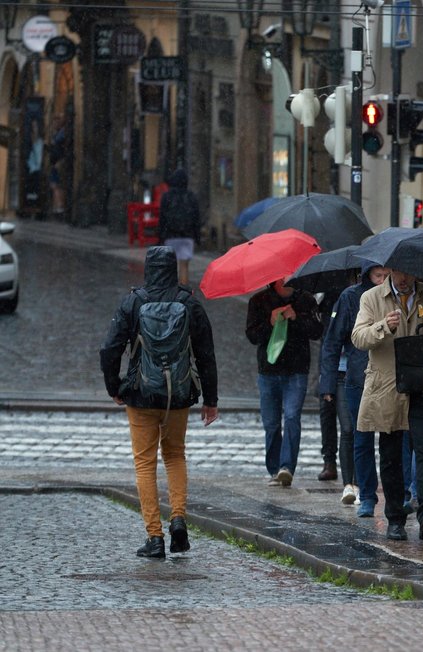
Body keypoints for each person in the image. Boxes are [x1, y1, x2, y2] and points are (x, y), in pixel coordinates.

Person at [99, 246, 219, 559]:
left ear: (147, 269)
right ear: (175, 269)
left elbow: (109, 349)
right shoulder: (188, 303)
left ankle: (154, 537)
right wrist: (211, 400)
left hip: (140, 393)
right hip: (177, 394)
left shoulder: (133, 302)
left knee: (145, 462)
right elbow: (206, 354)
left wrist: (115, 386)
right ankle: (178, 519)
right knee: (176, 455)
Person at [351, 269, 423, 541]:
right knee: (390, 455)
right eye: (398, 273)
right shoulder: (371, 298)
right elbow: (358, 337)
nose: (403, 279)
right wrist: (382, 327)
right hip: (388, 386)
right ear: (389, 271)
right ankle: (395, 519)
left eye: (409, 274)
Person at [320, 263, 391, 513]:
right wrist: (327, 382)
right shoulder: (350, 297)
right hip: (357, 375)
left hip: (389, 376)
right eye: (378, 275)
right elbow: (332, 341)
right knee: (354, 432)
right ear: (367, 274)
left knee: (388, 435)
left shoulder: (396, 296)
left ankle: (381, 492)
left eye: (386, 275)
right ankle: (355, 486)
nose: (382, 280)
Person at [246, 278, 321, 487]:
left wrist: (295, 318)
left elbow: (316, 331)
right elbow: (252, 335)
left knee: (291, 417)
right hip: (268, 370)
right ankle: (273, 468)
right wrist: (270, 323)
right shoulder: (258, 300)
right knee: (271, 423)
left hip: (296, 370)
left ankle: (286, 467)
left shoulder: (305, 299)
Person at [316, 286, 345, 483]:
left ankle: (347, 467)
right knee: (327, 412)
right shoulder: (330, 293)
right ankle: (329, 460)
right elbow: (321, 332)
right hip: (329, 361)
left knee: (348, 422)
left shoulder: (359, 295)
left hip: (348, 365)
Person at [158, 168, 201, 286]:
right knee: (184, 266)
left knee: (171, 266)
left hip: (171, 235)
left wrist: (160, 237)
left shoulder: (167, 197)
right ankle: (183, 291)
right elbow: (196, 219)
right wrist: (197, 237)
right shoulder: (191, 197)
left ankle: (170, 290)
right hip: (187, 236)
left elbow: (162, 218)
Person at [48, 114, 67, 216]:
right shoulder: (57, 133)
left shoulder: (62, 133)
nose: (54, 124)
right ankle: (57, 206)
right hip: (55, 162)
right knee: (54, 185)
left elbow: (62, 148)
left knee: (57, 185)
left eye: (56, 122)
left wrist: (60, 161)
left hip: (58, 163)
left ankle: (60, 206)